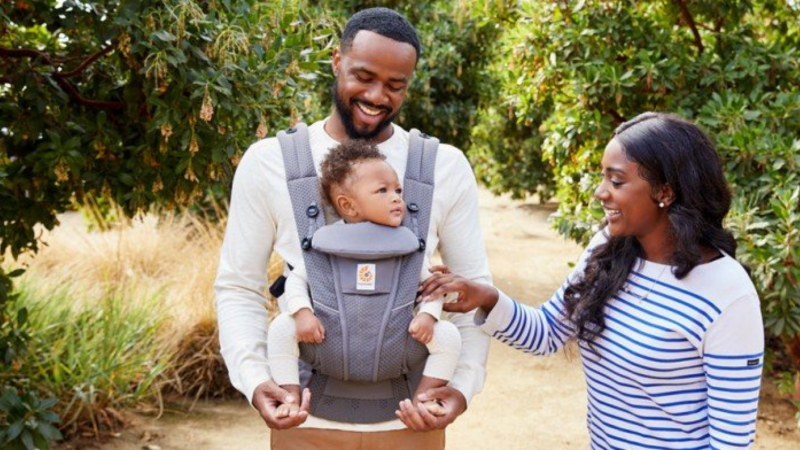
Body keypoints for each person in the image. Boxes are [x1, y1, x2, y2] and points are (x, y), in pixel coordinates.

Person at [214, 7, 491, 448]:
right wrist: (254, 380)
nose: (378, 95)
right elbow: (238, 286)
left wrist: (460, 387)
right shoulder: (267, 161)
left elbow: (471, 293)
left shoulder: (445, 165)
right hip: (304, 424)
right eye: (364, 76)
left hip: (411, 425)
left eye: (396, 85)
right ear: (336, 61)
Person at [419, 112, 765, 449]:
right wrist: (484, 297)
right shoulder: (609, 250)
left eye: (616, 181)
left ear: (665, 192)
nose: (601, 192)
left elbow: (731, 443)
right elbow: (547, 334)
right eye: (602, 178)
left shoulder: (728, 295)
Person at [266, 139, 461, 418]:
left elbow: (432, 287)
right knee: (281, 328)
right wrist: (302, 314)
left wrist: (428, 317)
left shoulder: (406, 247)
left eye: (398, 190)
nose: (396, 197)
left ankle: (424, 397)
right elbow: (297, 281)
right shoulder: (326, 245)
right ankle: (290, 394)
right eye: (382, 191)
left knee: (448, 335)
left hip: (399, 347)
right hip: (326, 345)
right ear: (348, 206)